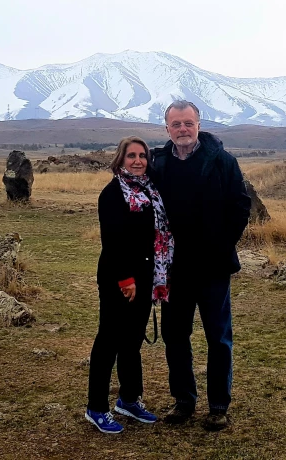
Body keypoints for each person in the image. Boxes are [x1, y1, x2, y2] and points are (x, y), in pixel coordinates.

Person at [150, 100, 251, 431]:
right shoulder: (159, 163)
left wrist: (222, 245)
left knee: (218, 338)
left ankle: (219, 406)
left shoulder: (223, 161)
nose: (182, 129)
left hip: (213, 268)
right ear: (167, 128)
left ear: (199, 124)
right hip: (174, 270)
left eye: (188, 123)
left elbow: (240, 205)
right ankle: (184, 401)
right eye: (176, 124)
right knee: (175, 336)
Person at [85, 136, 174, 434]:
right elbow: (113, 241)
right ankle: (96, 407)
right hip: (118, 278)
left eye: (142, 156)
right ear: (120, 159)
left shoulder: (150, 190)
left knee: (132, 342)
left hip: (146, 277)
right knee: (108, 341)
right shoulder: (113, 194)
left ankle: (129, 399)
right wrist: (125, 279)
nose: (137, 160)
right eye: (131, 155)